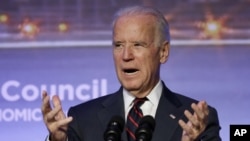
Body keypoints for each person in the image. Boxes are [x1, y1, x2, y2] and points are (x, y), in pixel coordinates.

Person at [41, 5, 221, 141]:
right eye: (118, 45)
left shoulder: (197, 119)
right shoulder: (82, 118)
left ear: (163, 52)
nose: (126, 56)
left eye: (138, 45)